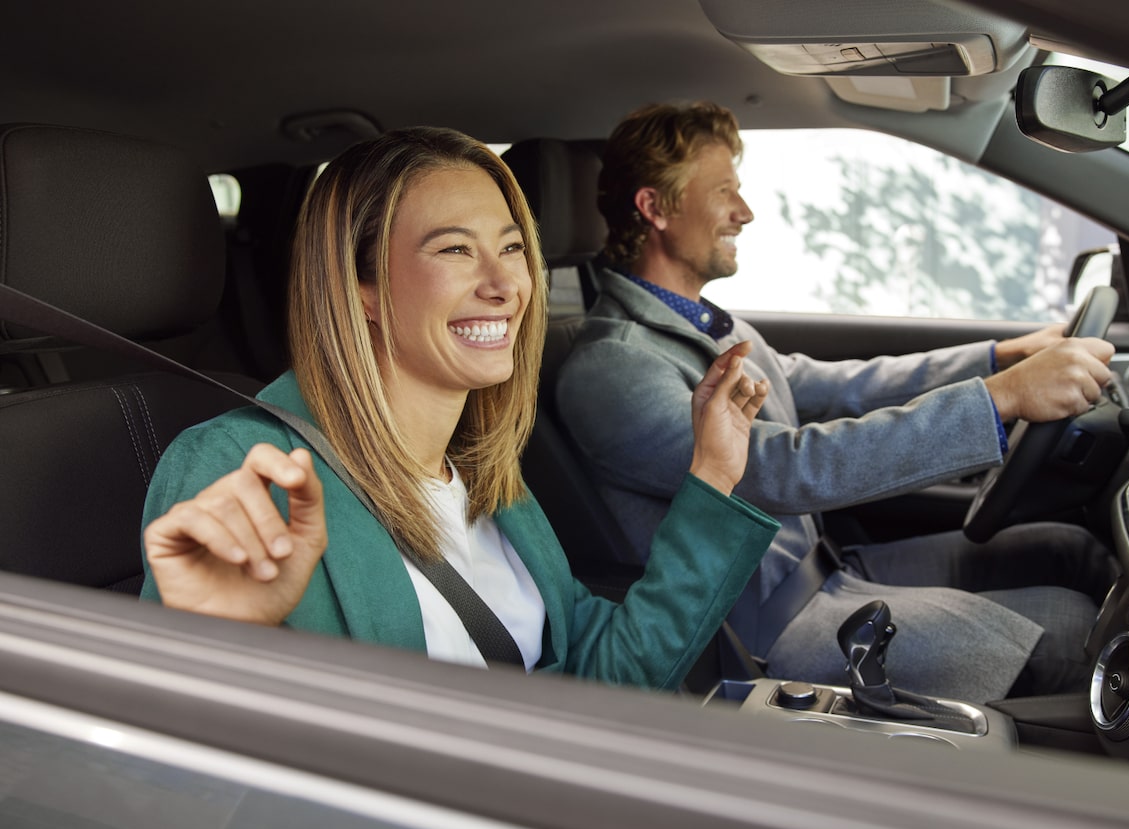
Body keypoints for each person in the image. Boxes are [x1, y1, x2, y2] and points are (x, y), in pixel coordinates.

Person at [140, 126, 779, 692]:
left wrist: (714, 473)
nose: (505, 286)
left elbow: (600, 676)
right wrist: (213, 654)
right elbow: (188, 784)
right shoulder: (238, 468)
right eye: (453, 249)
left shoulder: (484, 476)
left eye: (510, 248)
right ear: (360, 288)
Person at [554, 101, 1121, 703]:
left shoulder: (702, 325)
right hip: (770, 627)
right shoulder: (613, 366)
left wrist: (997, 359)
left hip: (825, 571)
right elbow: (779, 468)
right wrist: (999, 400)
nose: (744, 213)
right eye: (725, 192)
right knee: (1072, 639)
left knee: (1071, 550)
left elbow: (836, 384)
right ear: (655, 207)